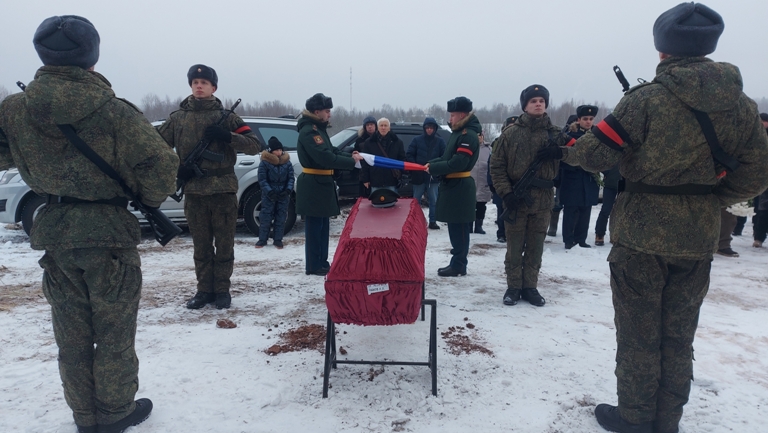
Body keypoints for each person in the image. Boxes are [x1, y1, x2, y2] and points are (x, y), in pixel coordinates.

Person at [540, 4, 768, 431]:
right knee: (679, 334)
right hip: (698, 236)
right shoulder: (741, 106)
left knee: (639, 333)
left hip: (641, 234)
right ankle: (668, 420)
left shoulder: (644, 100)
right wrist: (708, 198)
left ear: (663, 50)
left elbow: (591, 155)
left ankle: (635, 418)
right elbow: (757, 174)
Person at [0, 15, 179, 433]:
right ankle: (114, 412)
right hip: (108, 235)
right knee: (114, 330)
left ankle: (84, 415)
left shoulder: (14, 111)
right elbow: (161, 170)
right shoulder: (113, 111)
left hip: (55, 233)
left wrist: (37, 162)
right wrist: (144, 197)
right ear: (92, 56)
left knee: (72, 333)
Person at [158, 64, 261, 310]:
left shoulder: (228, 117)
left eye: (204, 82)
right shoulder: (177, 118)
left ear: (214, 88)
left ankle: (222, 290)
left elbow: (255, 145)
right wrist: (177, 168)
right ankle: (204, 290)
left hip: (223, 190)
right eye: (195, 82)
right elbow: (157, 149)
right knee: (201, 246)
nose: (199, 86)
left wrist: (228, 137)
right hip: (194, 192)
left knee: (225, 245)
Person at [490, 85, 575, 307]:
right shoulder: (510, 134)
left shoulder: (556, 134)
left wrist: (560, 152)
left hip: (543, 199)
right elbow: (497, 167)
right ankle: (514, 287)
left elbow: (581, 155)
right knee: (514, 247)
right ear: (525, 106)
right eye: (533, 101)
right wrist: (506, 194)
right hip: (516, 198)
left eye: (542, 100)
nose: (538, 104)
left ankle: (530, 287)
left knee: (536, 246)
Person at [295, 93, 363, 276]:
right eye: (327, 111)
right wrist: (351, 162)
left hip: (322, 183)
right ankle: (314, 265)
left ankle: (322, 262)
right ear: (317, 112)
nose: (329, 114)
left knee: (323, 227)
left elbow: (332, 150)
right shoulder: (309, 131)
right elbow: (325, 157)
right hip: (314, 184)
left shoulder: (318, 129)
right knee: (315, 228)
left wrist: (350, 156)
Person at [425, 96, 481, 277]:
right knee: (455, 226)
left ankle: (459, 264)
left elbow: (458, 163)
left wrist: (434, 167)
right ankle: (457, 261)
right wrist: (430, 164)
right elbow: (446, 158)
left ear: (463, 115)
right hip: (454, 185)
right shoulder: (459, 133)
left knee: (461, 228)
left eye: (453, 115)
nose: (450, 119)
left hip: (460, 186)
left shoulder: (468, 136)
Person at [560, 105, 600, 249]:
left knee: (585, 210)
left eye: (591, 119)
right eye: (585, 119)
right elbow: (564, 158)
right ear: (578, 120)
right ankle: (569, 239)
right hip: (573, 179)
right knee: (571, 211)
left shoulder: (596, 137)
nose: (588, 122)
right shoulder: (570, 136)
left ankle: (581, 239)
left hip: (589, 180)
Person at [408, 117, 447, 230]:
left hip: (433, 177)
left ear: (435, 129)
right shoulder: (416, 140)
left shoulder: (440, 141)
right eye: (427, 128)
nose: (429, 130)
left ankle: (433, 221)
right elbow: (409, 154)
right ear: (424, 128)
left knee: (433, 200)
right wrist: (416, 166)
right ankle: (415, 222)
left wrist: (435, 168)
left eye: (432, 128)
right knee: (416, 201)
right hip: (418, 176)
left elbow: (443, 157)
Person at [256, 136, 294, 249]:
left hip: (283, 193)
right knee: (266, 216)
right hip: (269, 194)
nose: (279, 152)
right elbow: (262, 179)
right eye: (276, 150)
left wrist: (287, 190)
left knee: (281, 216)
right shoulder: (265, 163)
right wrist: (269, 191)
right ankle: (262, 239)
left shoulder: (287, 163)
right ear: (271, 151)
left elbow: (291, 178)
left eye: (280, 150)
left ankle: (278, 240)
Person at [489, 116, 518, 243]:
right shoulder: (498, 143)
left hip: (517, 184)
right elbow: (492, 166)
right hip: (501, 184)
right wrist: (492, 184)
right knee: (501, 210)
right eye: (509, 127)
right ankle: (501, 233)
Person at [360, 117, 405, 194]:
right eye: (381, 125)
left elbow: (402, 160)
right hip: (375, 180)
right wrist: (366, 179)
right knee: (376, 204)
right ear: (378, 127)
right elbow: (364, 162)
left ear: (389, 128)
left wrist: (401, 176)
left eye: (385, 125)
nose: (383, 128)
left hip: (392, 180)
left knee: (392, 204)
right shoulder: (369, 142)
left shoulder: (397, 142)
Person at [471, 131, 492, 234]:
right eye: (477, 135)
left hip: (483, 181)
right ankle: (469, 225)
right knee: (470, 205)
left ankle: (478, 226)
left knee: (481, 205)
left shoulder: (489, 149)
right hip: (471, 180)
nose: (479, 137)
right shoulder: (470, 148)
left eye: (481, 135)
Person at [595, 163, 620, 246]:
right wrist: (607, 173)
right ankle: (599, 234)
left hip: (625, 185)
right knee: (605, 210)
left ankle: (617, 236)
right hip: (610, 183)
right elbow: (602, 162)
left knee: (622, 212)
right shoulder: (613, 149)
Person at [354, 116, 377, 197]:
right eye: (367, 125)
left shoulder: (380, 138)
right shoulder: (360, 140)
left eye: (371, 124)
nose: (370, 127)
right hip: (364, 171)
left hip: (377, 171)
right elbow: (356, 155)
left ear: (375, 126)